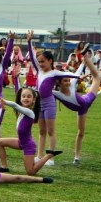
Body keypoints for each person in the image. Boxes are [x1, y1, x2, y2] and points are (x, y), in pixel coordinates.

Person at [27, 30, 81, 166]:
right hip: (39, 104)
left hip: (50, 104)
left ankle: (50, 158)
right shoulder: (39, 71)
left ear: (50, 61)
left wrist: (80, 76)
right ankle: (40, 156)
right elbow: (33, 59)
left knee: (51, 131)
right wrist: (29, 42)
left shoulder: (54, 72)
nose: (40, 63)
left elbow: (68, 73)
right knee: (41, 131)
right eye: (39, 61)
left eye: (43, 61)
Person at [0, 88, 62, 175]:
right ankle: (4, 167)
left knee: (30, 172)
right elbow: (17, 104)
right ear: (20, 98)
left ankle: (48, 155)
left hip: (28, 145)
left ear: (34, 100)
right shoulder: (21, 111)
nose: (26, 98)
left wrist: (4, 101)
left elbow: (15, 105)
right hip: (20, 142)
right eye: (23, 96)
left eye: (29, 97)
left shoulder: (30, 112)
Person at [52, 53, 100, 164]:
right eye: (65, 81)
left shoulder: (72, 83)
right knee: (81, 132)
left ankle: (87, 58)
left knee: (97, 77)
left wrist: (84, 62)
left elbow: (77, 73)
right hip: (81, 110)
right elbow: (43, 89)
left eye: (68, 80)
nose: (68, 82)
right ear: (59, 83)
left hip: (87, 99)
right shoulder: (57, 93)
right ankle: (76, 157)